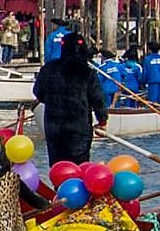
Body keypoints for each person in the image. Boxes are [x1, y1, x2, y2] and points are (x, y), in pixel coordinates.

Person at [33, 31, 108, 167]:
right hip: (78, 128)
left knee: (58, 166)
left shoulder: (48, 69)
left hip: (54, 127)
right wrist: (102, 120)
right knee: (79, 166)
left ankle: (59, 187)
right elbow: (98, 99)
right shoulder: (88, 72)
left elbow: (38, 93)